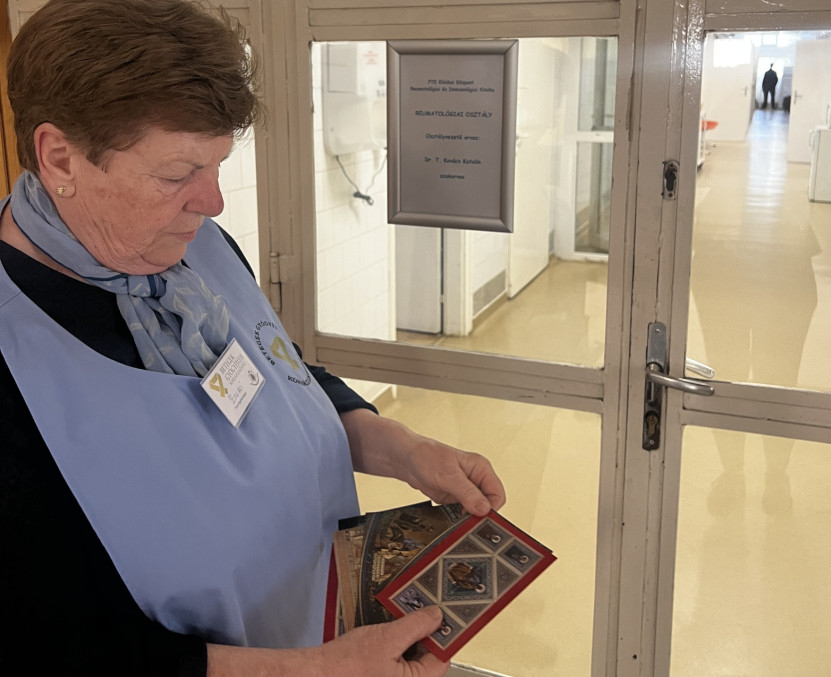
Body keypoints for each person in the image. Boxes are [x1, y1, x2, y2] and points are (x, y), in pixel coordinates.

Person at [0, 1, 505, 675]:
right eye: (177, 175)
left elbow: (280, 377)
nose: (213, 202)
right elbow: (53, 644)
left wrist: (405, 450)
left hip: (323, 628)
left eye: (216, 166)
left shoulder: (198, 249)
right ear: (60, 156)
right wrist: (317, 671)